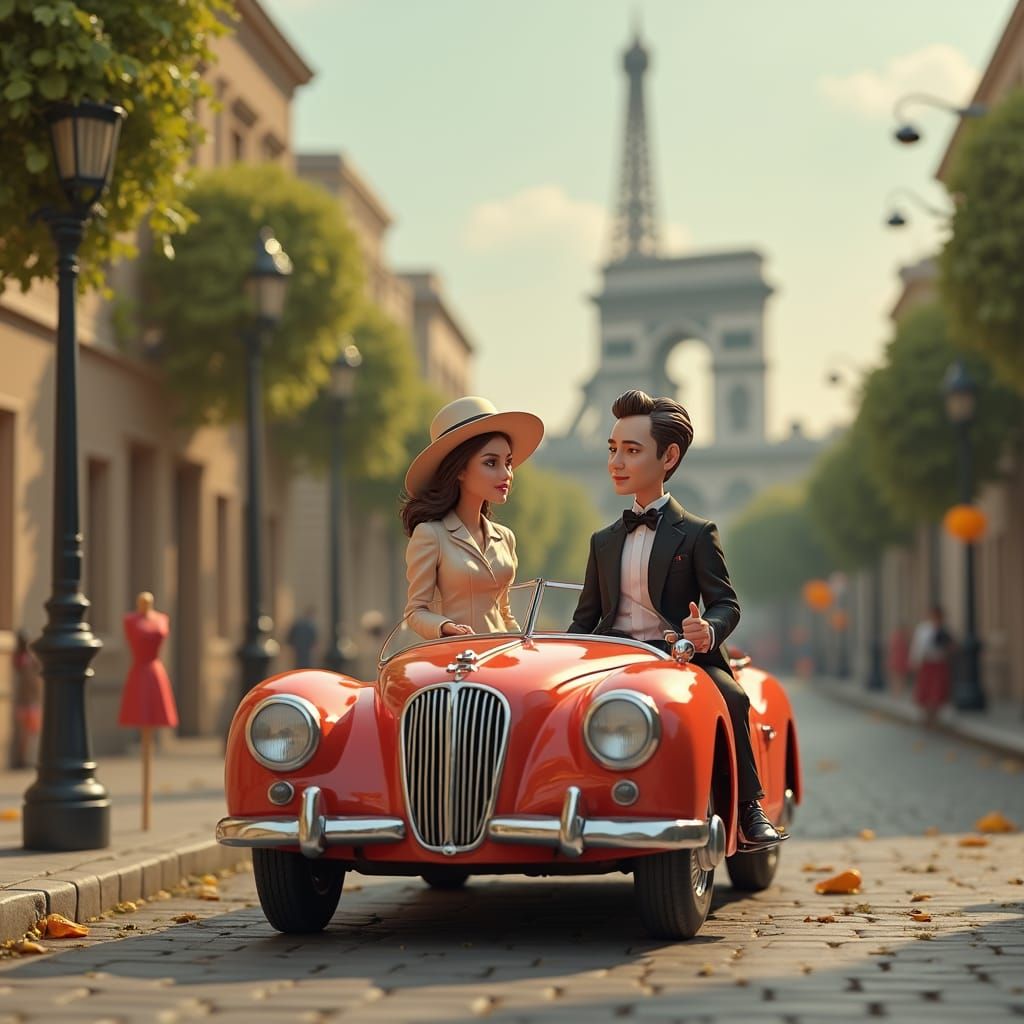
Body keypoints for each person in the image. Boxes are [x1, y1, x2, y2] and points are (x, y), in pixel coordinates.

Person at [568, 388, 786, 851]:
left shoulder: (699, 532)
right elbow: (585, 619)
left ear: (668, 457)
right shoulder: (603, 540)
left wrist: (707, 630)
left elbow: (726, 603)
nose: (617, 462)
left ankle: (750, 808)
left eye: (631, 450)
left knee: (733, 697)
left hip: (682, 658)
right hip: (615, 659)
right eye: (612, 449)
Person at [401, 396, 544, 641]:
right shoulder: (430, 534)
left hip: (500, 659)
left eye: (508, 463)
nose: (506, 474)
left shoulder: (506, 537)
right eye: (491, 463)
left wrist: (524, 643)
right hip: (456, 660)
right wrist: (446, 626)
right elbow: (415, 611)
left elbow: (504, 612)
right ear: (460, 470)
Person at [909, 606, 954, 726]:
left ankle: (935, 715)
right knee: (926, 689)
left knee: (938, 690)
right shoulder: (924, 629)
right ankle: (926, 715)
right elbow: (918, 646)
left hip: (939, 662)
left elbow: (950, 645)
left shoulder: (944, 629)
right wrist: (915, 660)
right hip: (927, 662)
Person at [12, 630, 42, 769]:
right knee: (25, 733)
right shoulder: (23, 659)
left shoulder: (28, 659)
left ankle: (26, 758)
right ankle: (22, 759)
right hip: (26, 700)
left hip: (29, 700)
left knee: (29, 732)